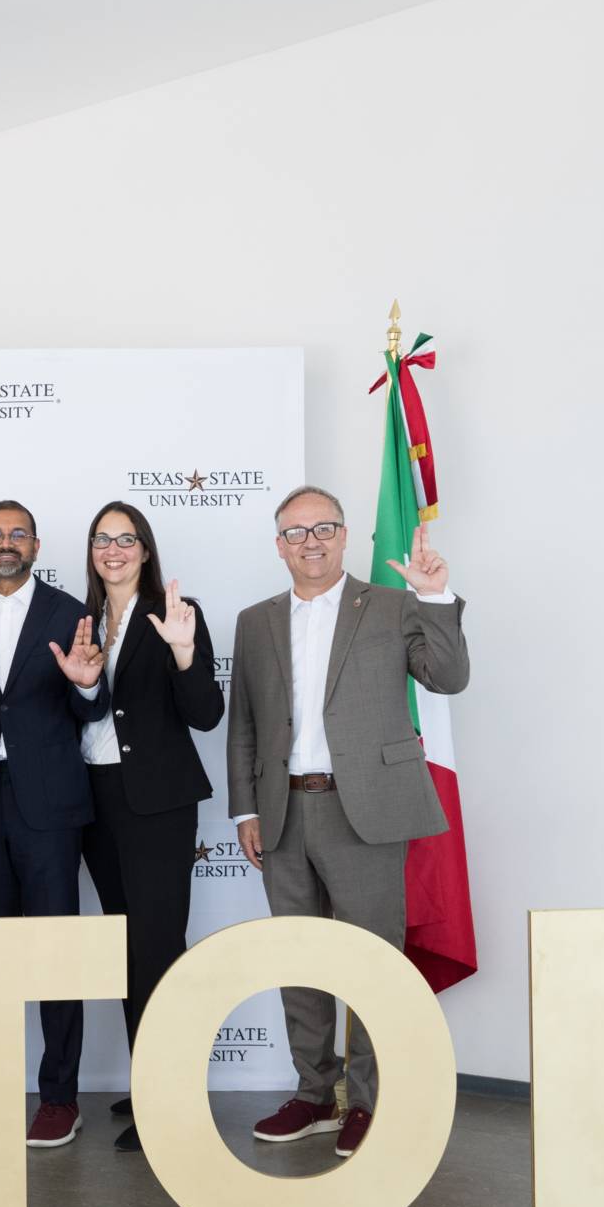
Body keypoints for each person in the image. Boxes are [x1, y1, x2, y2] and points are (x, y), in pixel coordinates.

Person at [228, 486, 468, 1158]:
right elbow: (245, 720)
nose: (311, 541)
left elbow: (447, 676)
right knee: (299, 961)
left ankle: (368, 1101)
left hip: (366, 808)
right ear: (279, 544)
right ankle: (315, 1093)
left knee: (370, 963)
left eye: (324, 527)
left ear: (342, 533)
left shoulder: (392, 606)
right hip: (281, 813)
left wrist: (436, 598)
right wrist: (246, 806)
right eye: (296, 531)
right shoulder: (255, 620)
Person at [0, 498, 109, 1147]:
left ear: (36, 545)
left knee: (55, 952)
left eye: (18, 533)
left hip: (50, 806)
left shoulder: (70, 613)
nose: (6, 542)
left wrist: (88, 685)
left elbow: (93, 707)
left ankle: (60, 1095)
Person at [71, 502, 224, 1153]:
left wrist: (186, 653)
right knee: (127, 949)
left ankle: (173, 1097)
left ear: (144, 548)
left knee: (159, 945)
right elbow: (84, 709)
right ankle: (151, 1078)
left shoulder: (173, 615)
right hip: (95, 800)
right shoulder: (82, 619)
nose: (114, 550)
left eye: (125, 539)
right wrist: (82, 688)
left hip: (157, 803)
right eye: (103, 539)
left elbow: (207, 712)